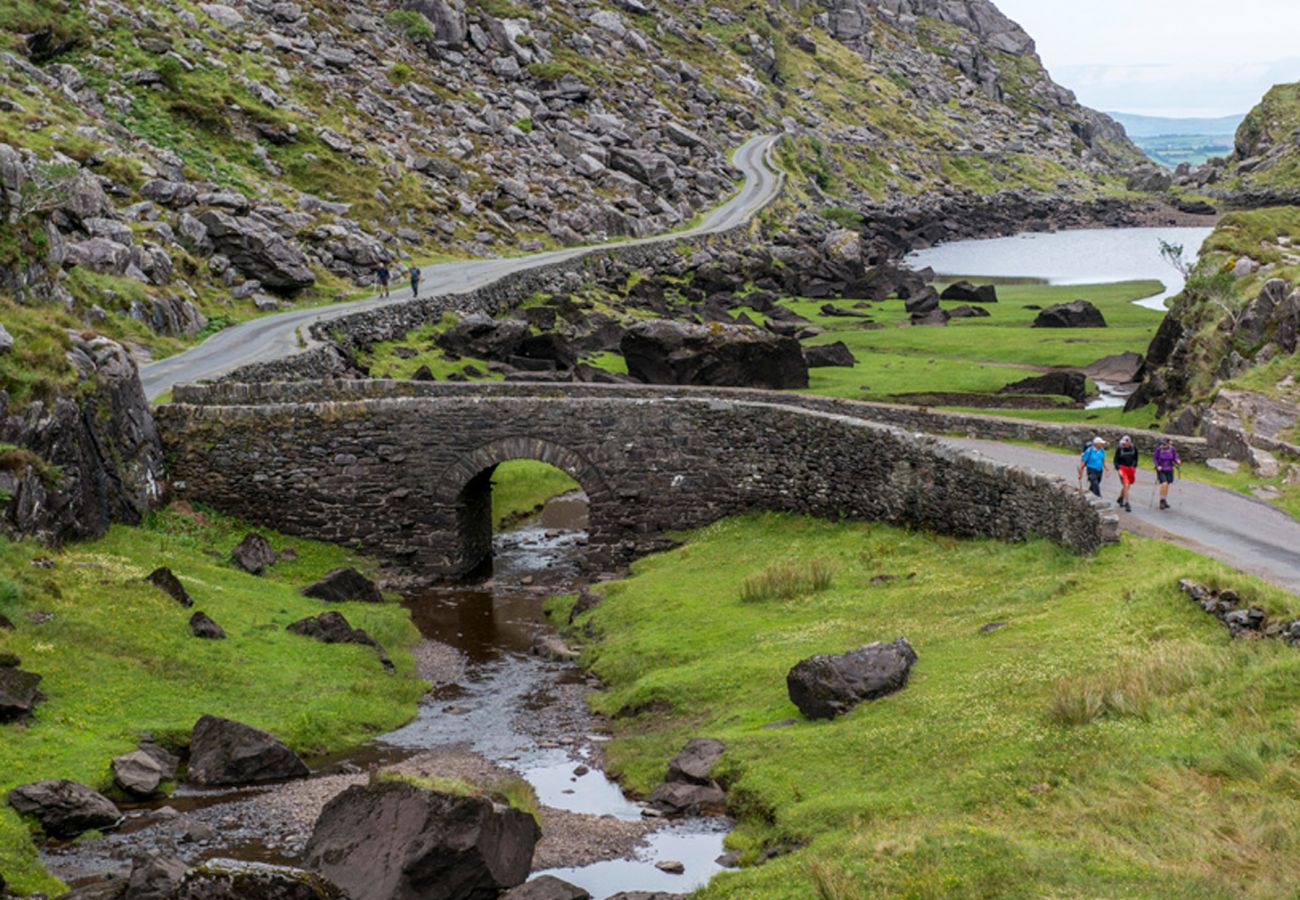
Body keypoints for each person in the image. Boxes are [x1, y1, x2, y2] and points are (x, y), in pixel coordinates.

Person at [1152, 436, 1182, 510]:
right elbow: (1155, 458)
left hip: (1169, 469)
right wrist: (1157, 466)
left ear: (1168, 444)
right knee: (1164, 483)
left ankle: (1164, 500)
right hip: (1161, 469)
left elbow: (1175, 457)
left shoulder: (1172, 449)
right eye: (1162, 444)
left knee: (1167, 485)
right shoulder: (1158, 449)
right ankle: (1161, 500)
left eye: (1165, 444)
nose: (1163, 445)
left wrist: (1177, 461)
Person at [1112, 434, 1139, 512]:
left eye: (1124, 443)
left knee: (1127, 486)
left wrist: (1134, 466)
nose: (1123, 445)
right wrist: (1118, 469)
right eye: (1122, 443)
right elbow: (1115, 460)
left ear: (1129, 443)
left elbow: (1136, 459)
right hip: (1122, 468)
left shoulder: (1134, 448)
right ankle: (1127, 503)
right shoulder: (1119, 449)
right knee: (1126, 484)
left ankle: (1121, 498)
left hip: (1130, 468)